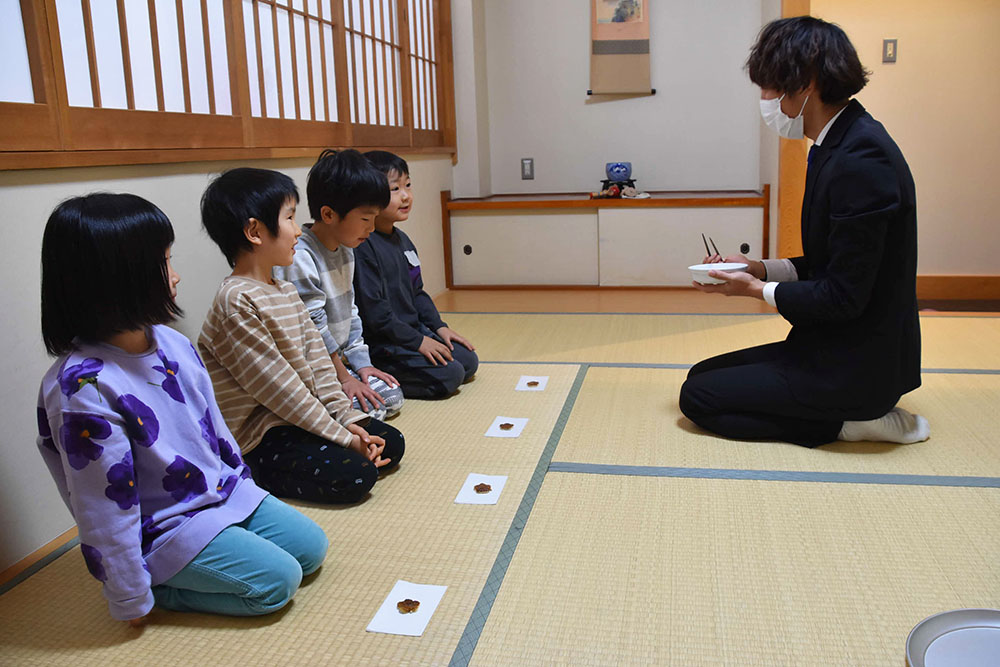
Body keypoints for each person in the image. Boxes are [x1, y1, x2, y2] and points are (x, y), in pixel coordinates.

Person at [36, 193, 328, 623]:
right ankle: (161, 586)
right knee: (275, 584)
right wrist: (128, 597)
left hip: (218, 494)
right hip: (164, 528)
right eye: (164, 262)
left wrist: (242, 487)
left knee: (310, 548)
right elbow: (102, 507)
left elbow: (215, 432)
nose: (176, 274)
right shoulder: (84, 388)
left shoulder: (173, 343)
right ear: (118, 279)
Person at [679, 16, 929, 448]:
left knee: (698, 398)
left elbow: (842, 296)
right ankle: (846, 414)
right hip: (831, 345)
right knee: (702, 376)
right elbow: (825, 265)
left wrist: (755, 290)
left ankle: (853, 422)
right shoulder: (837, 143)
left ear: (805, 83)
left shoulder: (862, 160)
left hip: (857, 365)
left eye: (769, 86)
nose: (764, 99)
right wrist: (756, 267)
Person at [198, 168, 404, 503]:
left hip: (302, 418)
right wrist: (342, 437)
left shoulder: (285, 290)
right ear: (255, 231)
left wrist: (346, 418)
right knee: (357, 473)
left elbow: (320, 365)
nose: (297, 231)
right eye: (289, 218)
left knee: (389, 442)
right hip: (262, 434)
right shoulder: (236, 302)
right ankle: (252, 473)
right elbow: (282, 391)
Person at [273, 149, 404, 421]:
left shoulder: (347, 247)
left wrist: (363, 366)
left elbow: (351, 311)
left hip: (340, 362)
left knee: (391, 397)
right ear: (329, 214)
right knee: (373, 414)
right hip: (313, 369)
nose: (371, 228)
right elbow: (313, 328)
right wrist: (344, 378)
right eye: (366, 219)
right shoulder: (300, 256)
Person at [353, 151, 478, 399]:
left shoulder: (403, 240)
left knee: (467, 361)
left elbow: (417, 292)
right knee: (451, 376)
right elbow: (375, 314)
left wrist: (439, 328)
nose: (405, 196)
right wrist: (419, 342)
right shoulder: (363, 245)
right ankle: (384, 376)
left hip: (412, 332)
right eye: (394, 189)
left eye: (407, 185)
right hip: (385, 343)